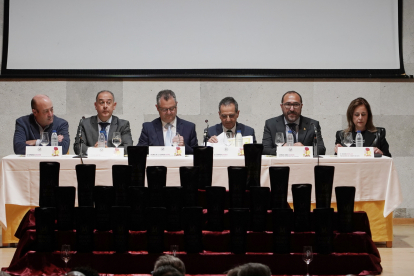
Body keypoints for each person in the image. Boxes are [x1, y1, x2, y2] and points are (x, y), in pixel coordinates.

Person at [262, 91, 325, 155]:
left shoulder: (312, 124)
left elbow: (321, 150)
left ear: (301, 106)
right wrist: (281, 150)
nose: (292, 109)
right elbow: (264, 149)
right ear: (281, 106)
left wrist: (305, 149)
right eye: (288, 104)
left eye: (296, 104)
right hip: (280, 164)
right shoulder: (271, 124)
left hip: (303, 164)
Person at [137, 89, 198, 154]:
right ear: (157, 108)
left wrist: (184, 146)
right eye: (164, 109)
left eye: (171, 108)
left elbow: (196, 154)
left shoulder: (189, 127)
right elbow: (139, 153)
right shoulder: (148, 128)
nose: (169, 112)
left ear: (176, 105)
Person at [73, 90, 133, 155]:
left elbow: (128, 148)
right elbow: (78, 147)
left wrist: (109, 151)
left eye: (108, 102)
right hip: (92, 163)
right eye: (101, 102)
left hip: (114, 163)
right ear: (96, 105)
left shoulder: (122, 125)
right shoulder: (85, 123)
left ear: (114, 106)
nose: (105, 106)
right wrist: (93, 151)